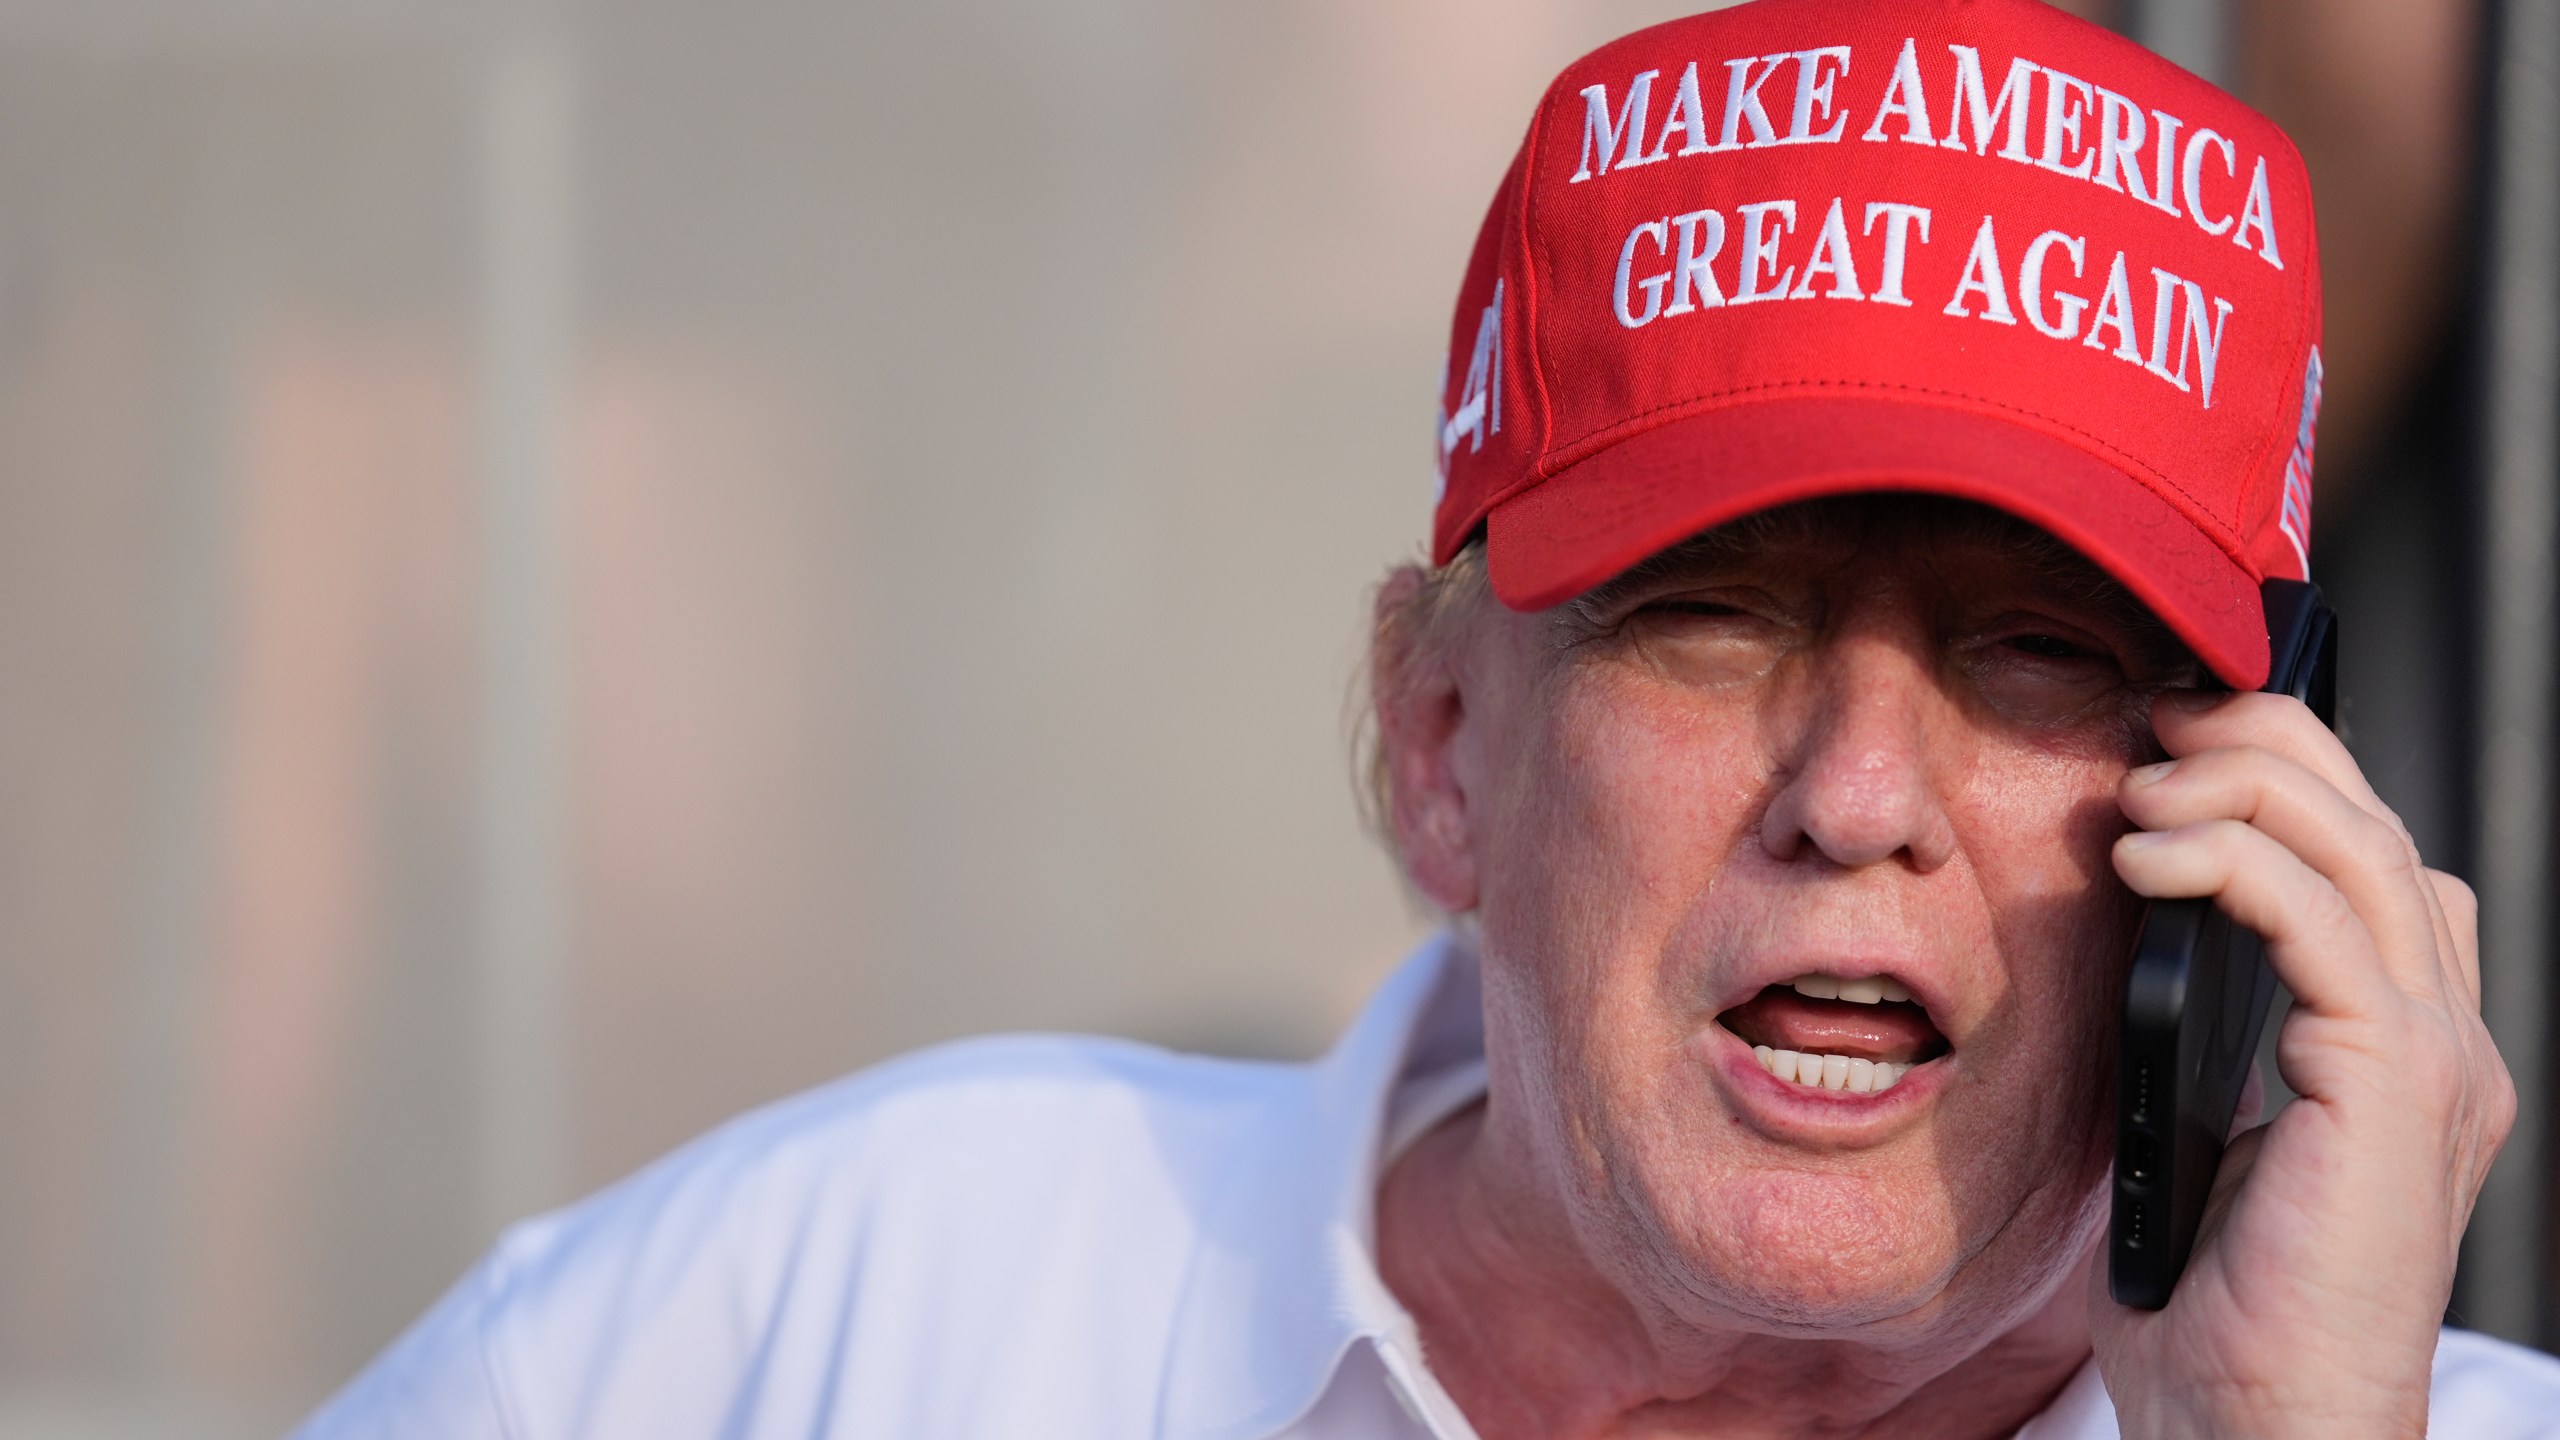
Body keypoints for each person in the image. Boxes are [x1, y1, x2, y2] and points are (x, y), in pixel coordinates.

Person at [298, 1, 2560, 1434]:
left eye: (2034, 656)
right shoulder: (826, 1317)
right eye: (1711, 618)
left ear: (2260, 842)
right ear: (1438, 738)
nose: (1856, 797)